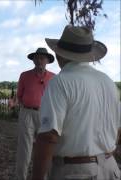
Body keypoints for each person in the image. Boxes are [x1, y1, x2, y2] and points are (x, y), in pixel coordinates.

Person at [32, 25, 121, 180]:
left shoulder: (60, 82)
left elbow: (49, 137)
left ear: (59, 55)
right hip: (110, 168)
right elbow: (118, 129)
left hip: (76, 172)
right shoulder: (109, 82)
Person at [14, 47, 55, 179]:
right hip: (27, 113)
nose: (39, 60)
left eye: (42, 58)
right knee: (24, 150)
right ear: (33, 60)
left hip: (46, 116)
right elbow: (19, 96)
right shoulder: (24, 75)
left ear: (47, 61)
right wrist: (25, 107)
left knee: (45, 149)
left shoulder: (54, 78)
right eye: (36, 58)